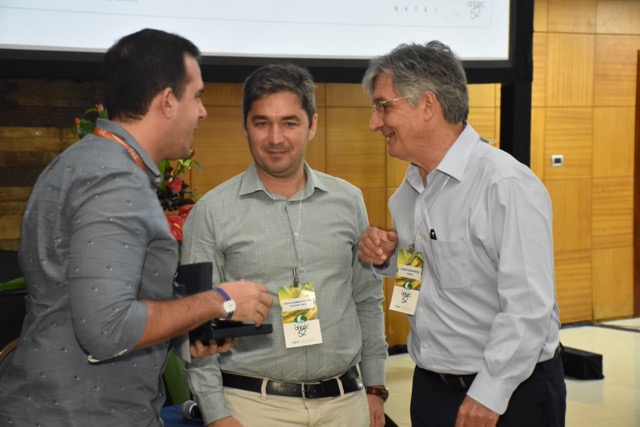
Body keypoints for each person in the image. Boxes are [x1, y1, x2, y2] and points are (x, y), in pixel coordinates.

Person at [0, 28, 272, 427]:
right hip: (82, 414)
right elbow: (107, 328)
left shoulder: (81, 161)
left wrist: (185, 332)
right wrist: (220, 301)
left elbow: (86, 302)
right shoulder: (114, 181)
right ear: (167, 101)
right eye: (197, 96)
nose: (202, 111)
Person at [357, 41, 566, 427]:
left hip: (505, 394)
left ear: (427, 105)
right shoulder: (408, 192)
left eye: (383, 106)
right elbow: (428, 275)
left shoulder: (504, 184)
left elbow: (528, 307)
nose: (374, 123)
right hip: (432, 388)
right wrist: (387, 259)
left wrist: (489, 393)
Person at [180, 63, 388, 427]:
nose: (275, 138)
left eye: (290, 123)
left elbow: (366, 298)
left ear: (312, 125)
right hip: (253, 407)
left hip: (345, 404)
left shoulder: (349, 200)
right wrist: (215, 413)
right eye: (262, 123)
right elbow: (195, 321)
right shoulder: (211, 212)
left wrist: (375, 386)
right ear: (245, 126)